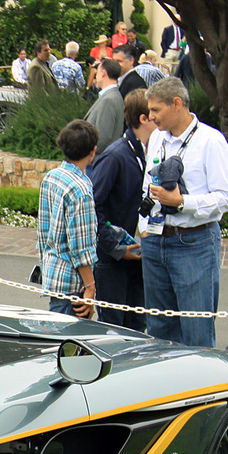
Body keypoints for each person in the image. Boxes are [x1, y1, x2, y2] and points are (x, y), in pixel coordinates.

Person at [140, 76, 228, 348]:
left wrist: (182, 202)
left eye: (156, 110)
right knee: (159, 329)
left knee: (196, 331)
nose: (150, 116)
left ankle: (201, 389)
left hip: (194, 242)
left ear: (177, 104)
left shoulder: (211, 141)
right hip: (156, 239)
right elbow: (148, 183)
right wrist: (144, 226)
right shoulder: (157, 137)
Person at [86, 89, 153, 330]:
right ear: (143, 118)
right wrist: (115, 248)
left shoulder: (149, 153)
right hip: (113, 261)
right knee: (114, 329)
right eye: (155, 113)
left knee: (138, 326)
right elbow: (93, 207)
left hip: (138, 256)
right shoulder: (115, 156)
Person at [37, 120, 101, 317]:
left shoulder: (52, 176)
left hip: (53, 274)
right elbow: (81, 246)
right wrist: (90, 286)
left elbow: (43, 228)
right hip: (73, 284)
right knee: (67, 343)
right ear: (93, 151)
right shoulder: (81, 189)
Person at [84, 58, 125, 152]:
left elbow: (103, 137)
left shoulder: (109, 99)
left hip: (97, 159)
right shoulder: (111, 96)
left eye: (97, 72)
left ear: (103, 73)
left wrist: (86, 155)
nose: (96, 76)